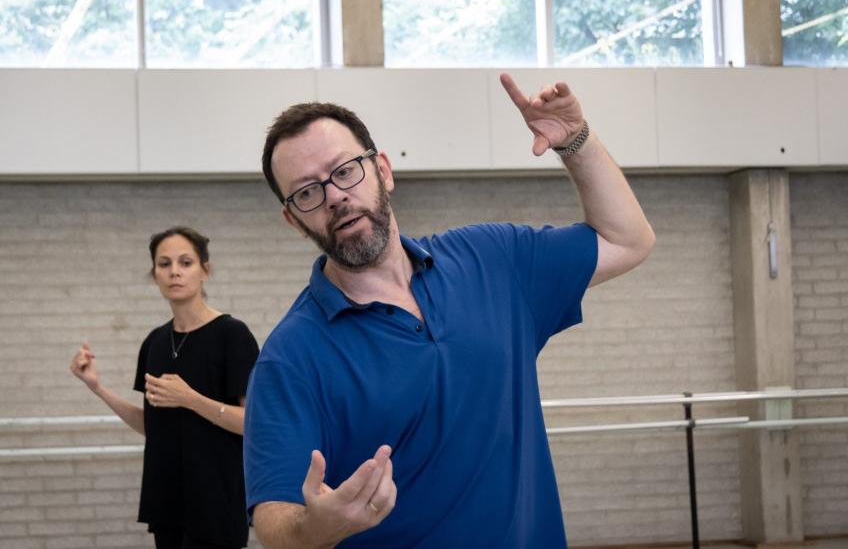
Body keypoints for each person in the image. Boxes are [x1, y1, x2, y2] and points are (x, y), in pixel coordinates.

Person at [243, 74, 656, 548]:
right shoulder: (291, 357)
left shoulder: (492, 259)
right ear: (295, 221)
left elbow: (628, 240)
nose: (335, 195)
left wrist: (576, 141)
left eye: (345, 170)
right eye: (308, 192)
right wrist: (316, 527)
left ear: (383, 170)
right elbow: (275, 521)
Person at [69, 226, 259, 549]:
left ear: (205, 271)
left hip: (216, 502)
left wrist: (191, 399)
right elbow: (152, 424)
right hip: (166, 501)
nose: (174, 272)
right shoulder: (154, 343)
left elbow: (252, 423)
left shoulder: (232, 335)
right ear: (154, 274)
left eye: (186, 263)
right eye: (164, 264)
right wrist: (98, 388)